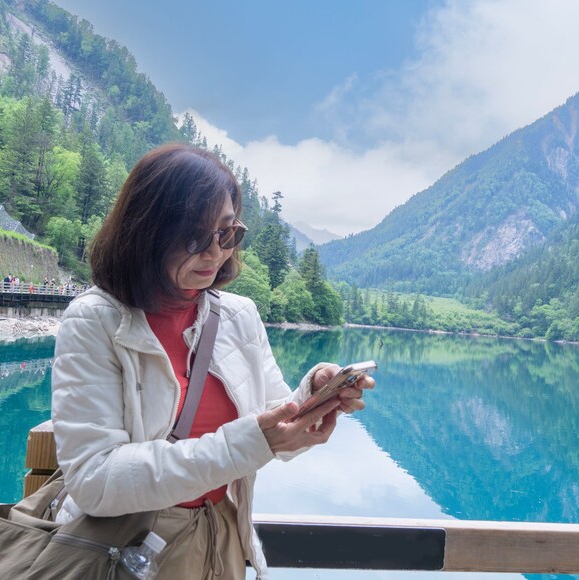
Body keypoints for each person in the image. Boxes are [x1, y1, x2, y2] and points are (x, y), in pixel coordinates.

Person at [49, 143, 373, 580]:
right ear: (146, 232)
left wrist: (314, 393)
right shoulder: (96, 320)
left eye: (228, 233)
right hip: (124, 549)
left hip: (221, 538)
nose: (215, 252)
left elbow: (270, 418)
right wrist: (248, 444)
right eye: (194, 236)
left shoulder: (239, 315)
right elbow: (95, 481)